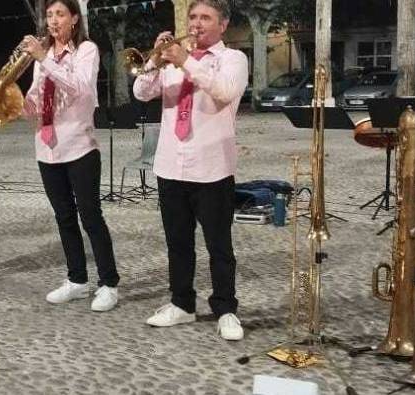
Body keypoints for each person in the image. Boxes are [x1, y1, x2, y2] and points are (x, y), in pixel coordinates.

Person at [132, 0, 248, 340]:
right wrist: (156, 57)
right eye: (193, 16)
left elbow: (224, 90)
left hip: (211, 167)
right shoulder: (171, 60)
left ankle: (225, 308)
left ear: (222, 25)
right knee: (177, 242)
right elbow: (141, 92)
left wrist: (186, 61)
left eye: (205, 17)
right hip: (171, 164)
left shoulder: (233, 59)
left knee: (219, 245)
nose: (196, 23)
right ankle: (182, 304)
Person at [21, 0, 119, 312]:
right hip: (47, 147)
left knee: (91, 217)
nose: (53, 20)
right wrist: (19, 101)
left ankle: (108, 283)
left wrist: (43, 60)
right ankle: (77, 279)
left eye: (60, 14)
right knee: (63, 217)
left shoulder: (86, 50)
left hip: (79, 146)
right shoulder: (44, 57)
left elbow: (79, 88)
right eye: (49, 15)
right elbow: (39, 94)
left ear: (74, 18)